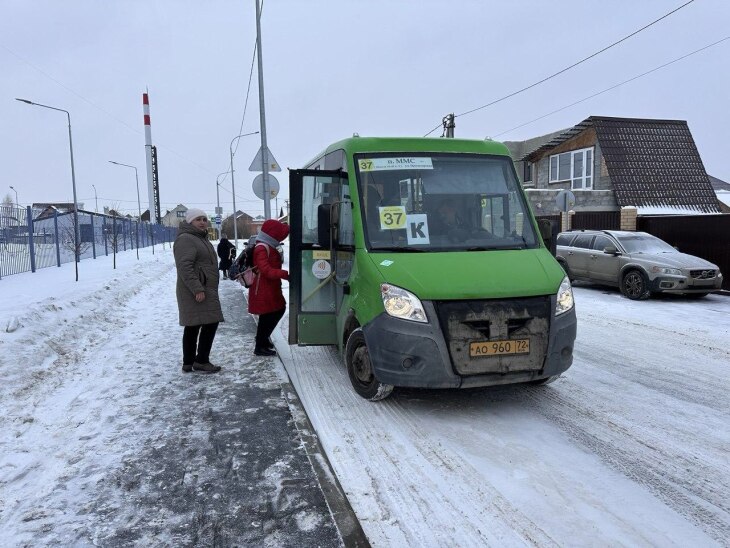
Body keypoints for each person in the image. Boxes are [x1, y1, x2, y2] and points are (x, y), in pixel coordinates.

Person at [174, 208, 224, 373]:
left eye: (204, 219)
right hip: (196, 290)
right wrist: (197, 289)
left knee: (194, 325)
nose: (202, 222)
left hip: (204, 288)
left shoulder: (200, 238)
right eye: (198, 219)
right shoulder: (186, 239)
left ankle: (189, 362)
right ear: (190, 222)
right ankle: (201, 360)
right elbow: (184, 267)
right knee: (207, 322)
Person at [247, 219, 289, 357]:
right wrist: (285, 274)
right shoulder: (262, 248)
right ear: (273, 234)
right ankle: (259, 346)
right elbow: (266, 270)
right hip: (263, 289)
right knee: (267, 316)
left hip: (270, 287)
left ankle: (263, 340)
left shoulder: (269, 245)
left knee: (276, 311)